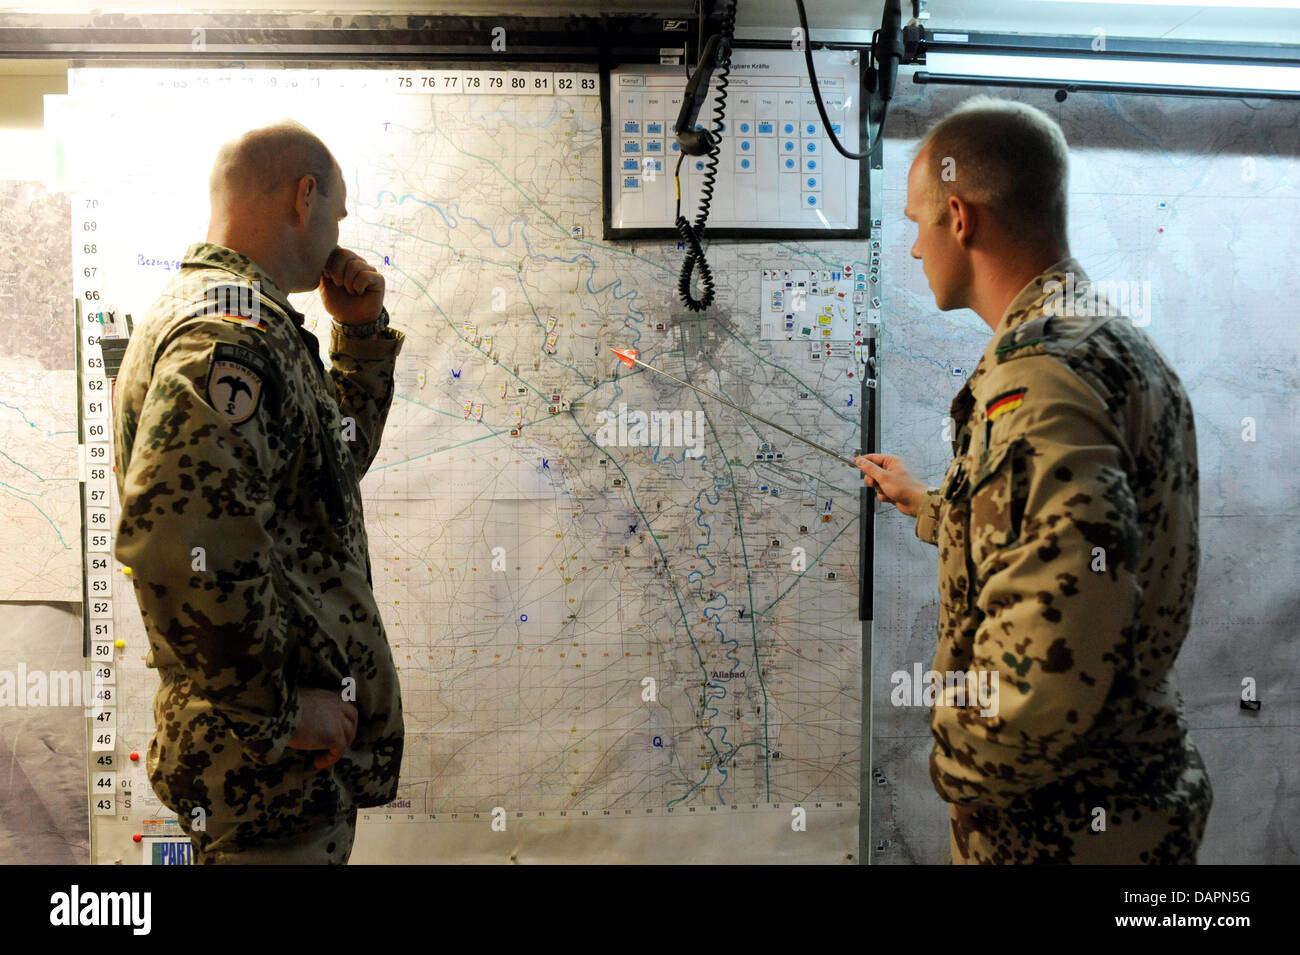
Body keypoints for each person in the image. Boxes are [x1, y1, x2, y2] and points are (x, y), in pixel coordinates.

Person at [857, 96, 1211, 864]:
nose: (916, 248)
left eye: (920, 223)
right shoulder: (1119, 351)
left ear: (960, 217)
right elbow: (1073, 543)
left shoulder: (1041, 381)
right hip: (1127, 813)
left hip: (1059, 833)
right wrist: (930, 504)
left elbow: (1045, 669)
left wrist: (956, 767)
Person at [112, 120, 404, 864]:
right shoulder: (227, 331)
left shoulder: (251, 321)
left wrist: (362, 336)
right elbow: (181, 547)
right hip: (267, 776)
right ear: (305, 198)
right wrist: (279, 714)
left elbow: (328, 471)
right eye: (337, 213)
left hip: (276, 775)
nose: (339, 232)